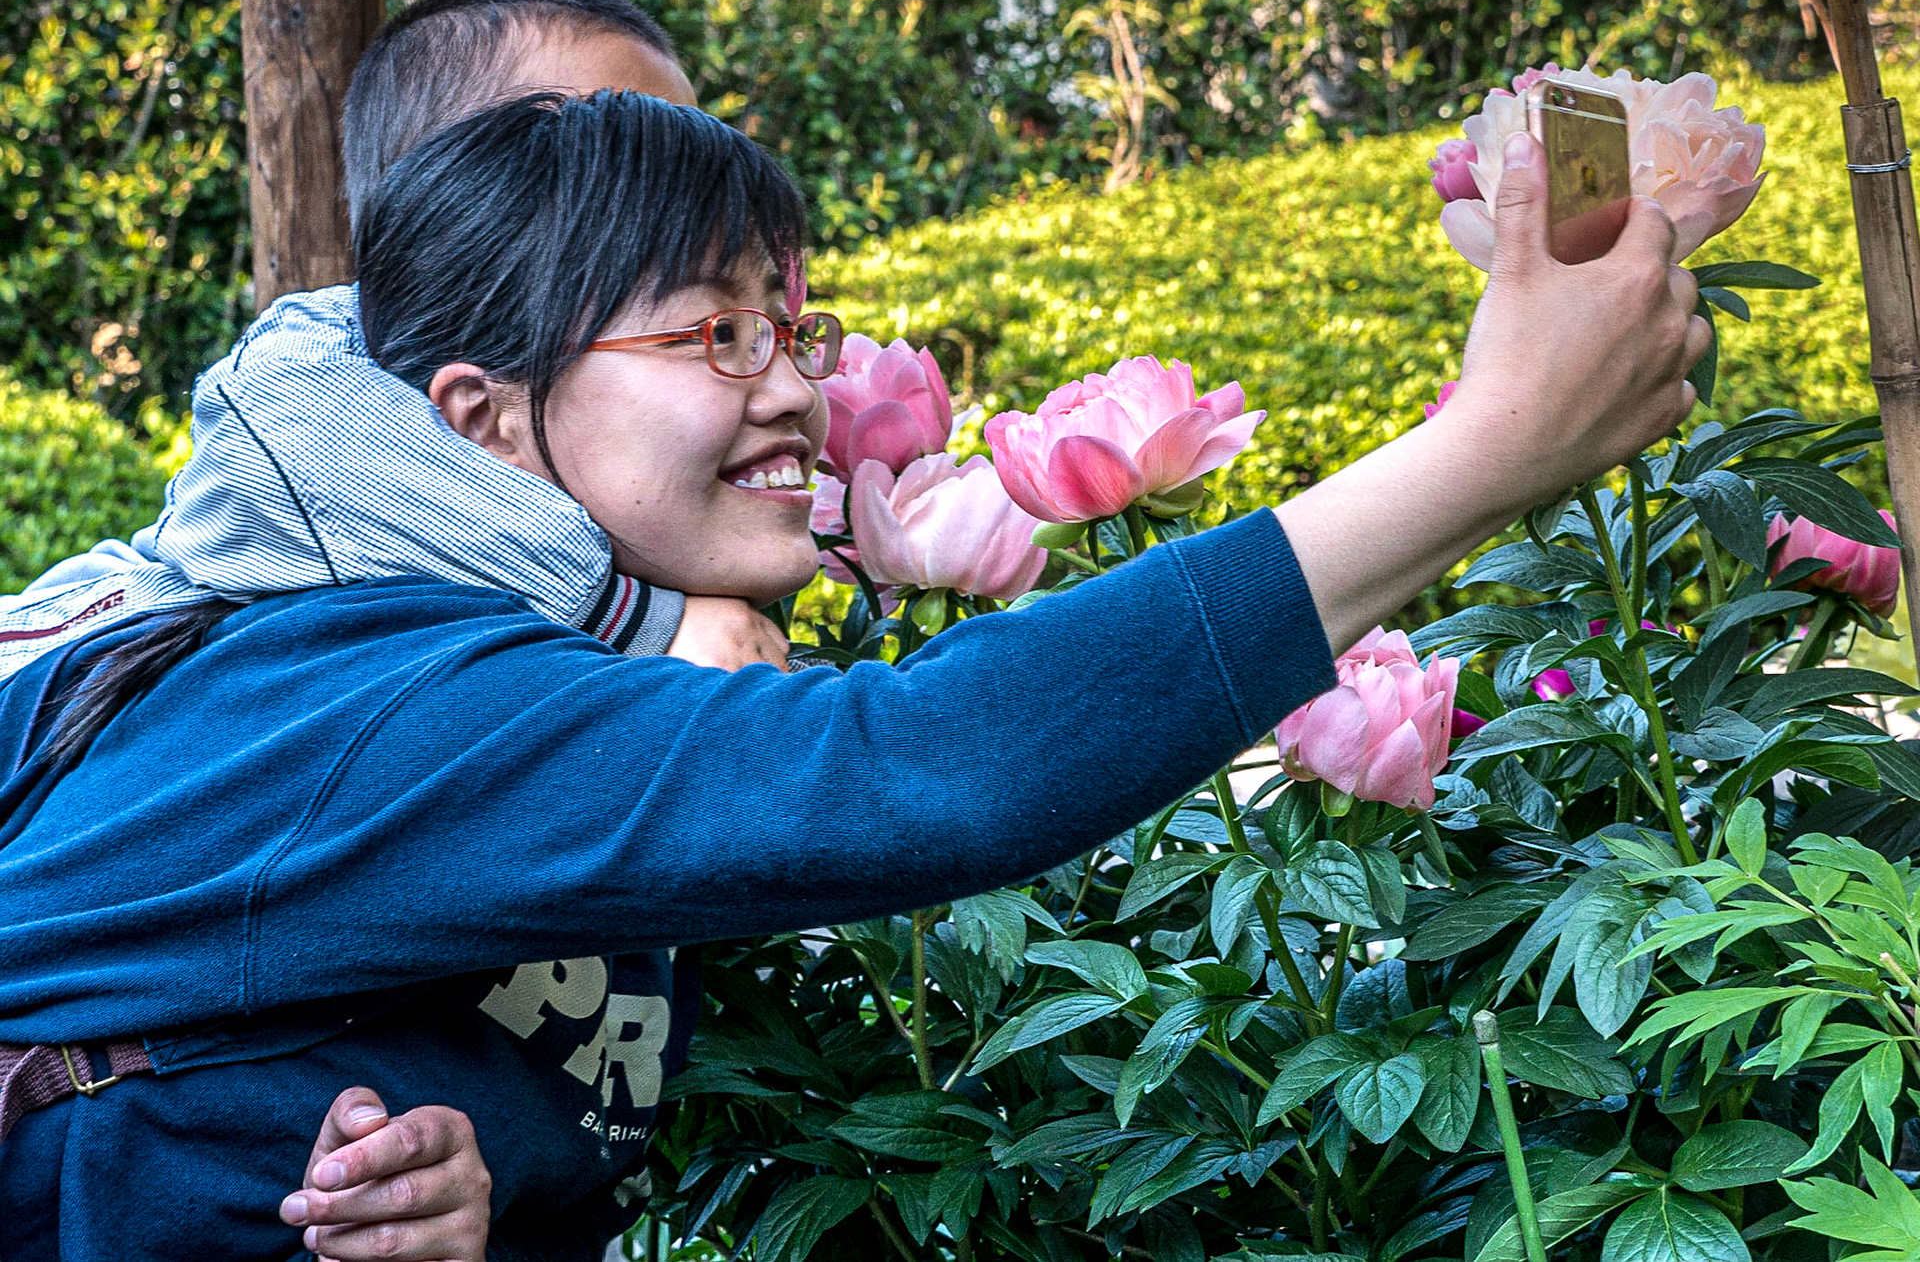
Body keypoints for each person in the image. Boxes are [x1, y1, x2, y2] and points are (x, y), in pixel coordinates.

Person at [0, 85, 1706, 1258]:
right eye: (713, 331)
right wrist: (1487, 453)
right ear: (482, 413)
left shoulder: (449, 646)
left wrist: (472, 1157)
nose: (799, 392)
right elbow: (916, 766)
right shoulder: (378, 692)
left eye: (791, 328)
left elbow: (333, 1049)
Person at [0, 0, 768, 1259]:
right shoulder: (323, 375)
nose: (657, 187)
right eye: (591, 142)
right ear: (447, 208)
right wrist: (650, 611)